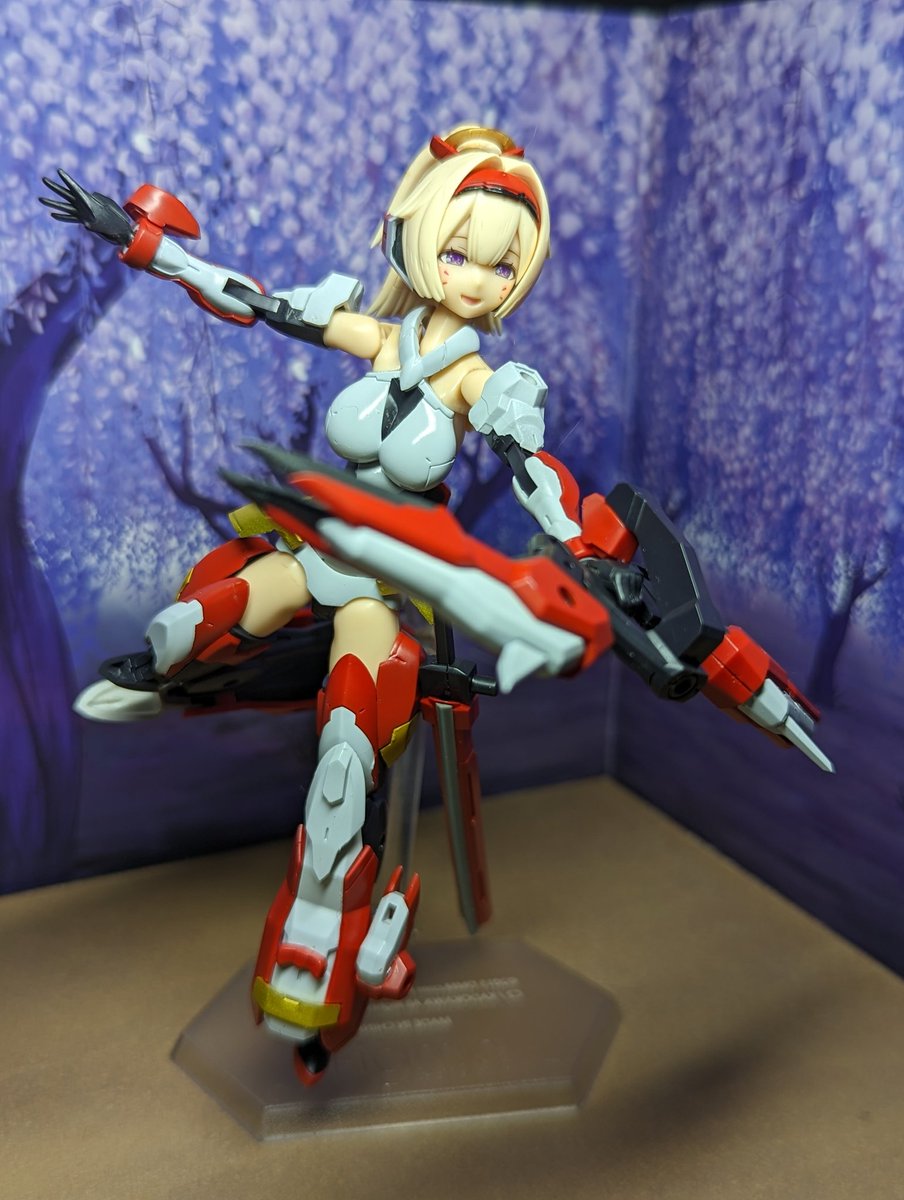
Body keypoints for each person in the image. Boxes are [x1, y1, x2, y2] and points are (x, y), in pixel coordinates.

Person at [42, 125, 600, 1083]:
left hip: (388, 581)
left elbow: (534, 468)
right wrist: (145, 244)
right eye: (459, 252)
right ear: (420, 239)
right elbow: (253, 300)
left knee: (345, 759)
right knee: (198, 617)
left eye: (501, 264)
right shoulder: (379, 337)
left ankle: (322, 946)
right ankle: (156, 677)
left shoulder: (481, 381)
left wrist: (585, 545)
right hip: (314, 546)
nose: (474, 278)